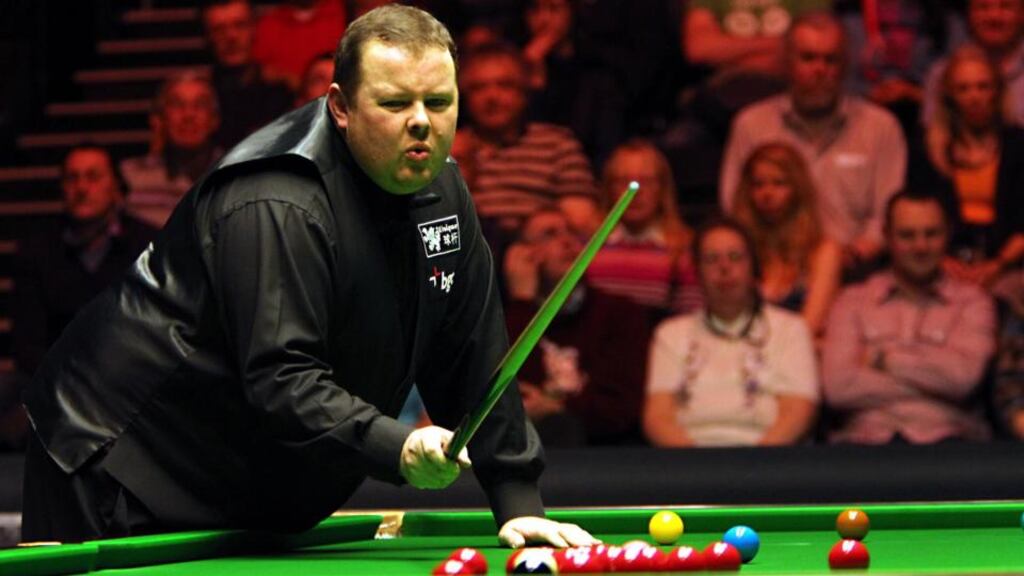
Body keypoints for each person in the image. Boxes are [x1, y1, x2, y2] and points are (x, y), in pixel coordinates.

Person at [20, 6, 596, 550]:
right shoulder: (276, 201)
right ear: (340, 107)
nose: (421, 122)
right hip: (117, 453)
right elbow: (281, 379)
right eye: (395, 103)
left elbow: (473, 356)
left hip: (234, 465)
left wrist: (518, 502)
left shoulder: (442, 190)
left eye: (438, 102)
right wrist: (398, 445)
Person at [720, 11, 907, 272]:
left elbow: (889, 216)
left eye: (830, 59)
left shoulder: (880, 127)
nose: (820, 69)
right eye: (808, 58)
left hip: (855, 271)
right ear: (787, 62)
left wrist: (848, 257)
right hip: (769, 270)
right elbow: (735, 206)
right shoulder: (751, 125)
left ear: (844, 65)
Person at [821, 190, 997, 444]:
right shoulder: (852, 301)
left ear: (948, 234)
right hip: (864, 444)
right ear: (887, 237)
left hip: (951, 443)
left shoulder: (973, 302)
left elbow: (963, 380)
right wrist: (935, 384)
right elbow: (838, 387)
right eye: (907, 235)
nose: (921, 246)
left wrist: (880, 358)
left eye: (931, 234)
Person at [643, 219, 819, 447]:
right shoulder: (670, 334)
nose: (724, 268)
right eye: (712, 259)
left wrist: (750, 468)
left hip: (767, 461)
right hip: (689, 463)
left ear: (754, 268)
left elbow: (798, 411)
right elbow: (658, 417)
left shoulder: (791, 329)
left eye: (735, 257)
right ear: (697, 272)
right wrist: (700, 469)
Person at [504, 209, 652, 447]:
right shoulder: (506, 318)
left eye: (571, 232)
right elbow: (512, 401)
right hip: (530, 453)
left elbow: (620, 411)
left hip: (607, 457)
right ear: (522, 256)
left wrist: (556, 405)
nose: (567, 241)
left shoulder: (621, 314)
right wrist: (522, 303)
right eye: (549, 235)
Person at [12, 145, 157, 380]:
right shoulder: (37, 250)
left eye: (93, 177)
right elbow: (27, 344)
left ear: (116, 188)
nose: (81, 188)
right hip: (55, 383)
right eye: (72, 178)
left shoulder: (147, 246)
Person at [452, 43, 601, 237]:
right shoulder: (452, 147)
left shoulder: (557, 144)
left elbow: (581, 222)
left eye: (504, 85)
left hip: (542, 254)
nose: (492, 97)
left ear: (523, 93)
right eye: (479, 88)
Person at [914, 45, 1024, 286]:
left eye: (983, 87)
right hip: (941, 264)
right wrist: (943, 261)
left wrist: (997, 264)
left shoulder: (1018, 145)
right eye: (963, 89)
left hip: (1008, 265)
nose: (974, 97)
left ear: (997, 91)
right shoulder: (930, 149)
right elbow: (916, 215)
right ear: (949, 95)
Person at [731, 142, 842, 335]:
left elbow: (808, 327)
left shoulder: (823, 251)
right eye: (758, 184)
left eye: (779, 183)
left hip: (799, 354)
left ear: (798, 188)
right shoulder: (739, 249)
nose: (767, 193)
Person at [584, 139, 702, 321]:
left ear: (662, 189)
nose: (635, 192)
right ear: (609, 188)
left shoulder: (683, 252)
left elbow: (690, 321)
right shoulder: (586, 248)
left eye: (646, 181)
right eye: (623, 181)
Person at [121, 72, 223, 228]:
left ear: (214, 119)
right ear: (161, 118)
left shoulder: (238, 176)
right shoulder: (130, 177)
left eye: (200, 105)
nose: (188, 115)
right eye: (177, 105)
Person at [201, 0, 293, 149]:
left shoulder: (281, 90)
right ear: (207, 37)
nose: (231, 37)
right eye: (219, 29)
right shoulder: (201, 99)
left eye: (240, 25)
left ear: (254, 29)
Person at [922, 0, 1024, 127]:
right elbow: (934, 137)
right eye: (983, 7)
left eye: (1006, 7)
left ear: (1022, 14)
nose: (994, 16)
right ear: (969, 15)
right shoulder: (942, 73)